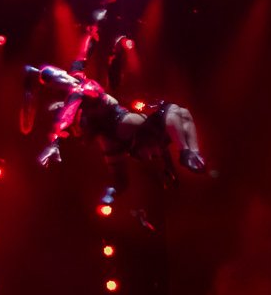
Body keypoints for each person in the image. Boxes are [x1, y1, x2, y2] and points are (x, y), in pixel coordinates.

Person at [22, 28, 207, 214]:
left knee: (180, 115)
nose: (63, 78)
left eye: (60, 74)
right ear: (56, 86)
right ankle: (186, 154)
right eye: (58, 80)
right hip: (119, 123)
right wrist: (55, 141)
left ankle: (190, 154)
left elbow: (83, 53)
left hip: (115, 130)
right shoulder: (76, 93)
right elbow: (66, 117)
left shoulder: (77, 76)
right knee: (173, 112)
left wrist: (91, 33)